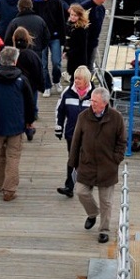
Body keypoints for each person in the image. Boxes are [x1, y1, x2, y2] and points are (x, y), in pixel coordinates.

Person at [68, 86, 127, 244]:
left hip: (108, 166)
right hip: (87, 164)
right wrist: (72, 162)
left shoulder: (116, 118)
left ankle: (104, 230)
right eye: (91, 100)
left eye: (95, 101)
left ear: (105, 103)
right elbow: (76, 141)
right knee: (81, 192)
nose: (92, 104)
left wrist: (116, 159)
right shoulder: (83, 116)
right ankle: (93, 213)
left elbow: (122, 142)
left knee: (106, 201)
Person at [0, 47, 36, 201]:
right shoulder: (21, 80)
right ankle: (9, 190)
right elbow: (29, 102)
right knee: (13, 156)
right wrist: (29, 121)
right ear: (15, 61)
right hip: (16, 124)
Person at [54, 66, 93, 197]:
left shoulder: (94, 94)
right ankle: (69, 187)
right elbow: (60, 111)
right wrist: (59, 127)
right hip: (72, 133)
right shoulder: (68, 92)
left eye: (79, 78)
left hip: (89, 135)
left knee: (86, 160)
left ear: (86, 80)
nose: (76, 81)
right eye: (75, 78)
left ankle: (87, 183)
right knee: (72, 159)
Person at [34, 0, 67, 94]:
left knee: (56, 62)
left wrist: (63, 40)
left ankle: (56, 80)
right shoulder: (35, 2)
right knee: (43, 64)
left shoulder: (56, 1)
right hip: (41, 38)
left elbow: (62, 20)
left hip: (55, 37)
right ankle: (46, 85)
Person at [12, 27, 44, 124]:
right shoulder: (32, 55)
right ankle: (30, 124)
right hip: (31, 86)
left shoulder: (11, 54)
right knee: (31, 105)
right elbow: (39, 71)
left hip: (16, 85)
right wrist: (41, 86)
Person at [82, 0, 108, 71]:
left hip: (94, 40)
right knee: (82, 64)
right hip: (83, 41)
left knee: (90, 64)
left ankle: (89, 81)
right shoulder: (84, 7)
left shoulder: (101, 8)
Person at [65, 4, 91, 78]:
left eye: (75, 15)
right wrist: (65, 51)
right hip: (72, 56)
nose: (72, 17)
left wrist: (68, 54)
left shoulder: (81, 29)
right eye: (71, 15)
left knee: (77, 78)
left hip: (79, 58)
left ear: (79, 16)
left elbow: (81, 46)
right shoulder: (69, 25)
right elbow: (67, 40)